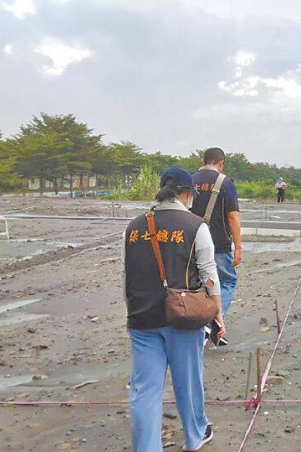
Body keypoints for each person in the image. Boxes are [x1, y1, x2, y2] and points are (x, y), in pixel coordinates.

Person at [123, 168, 224, 452]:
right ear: (187, 193)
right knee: (188, 383)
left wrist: (129, 313)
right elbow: (209, 274)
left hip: (142, 318)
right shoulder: (195, 226)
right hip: (184, 318)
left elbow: (126, 274)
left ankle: (146, 447)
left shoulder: (132, 227)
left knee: (144, 391)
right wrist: (217, 312)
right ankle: (195, 437)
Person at [190, 148, 241, 320]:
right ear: (221, 163)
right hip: (218, 242)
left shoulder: (189, 181)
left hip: (190, 242)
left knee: (195, 280)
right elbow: (233, 216)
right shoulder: (225, 182)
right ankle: (214, 318)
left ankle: (196, 315)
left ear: (203, 162)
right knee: (226, 280)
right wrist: (238, 247)